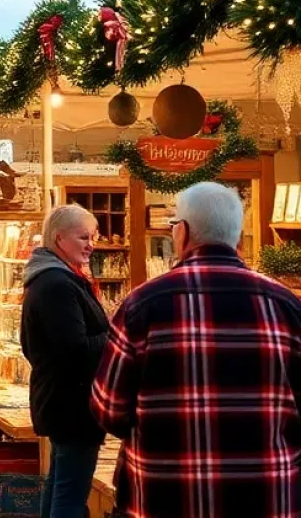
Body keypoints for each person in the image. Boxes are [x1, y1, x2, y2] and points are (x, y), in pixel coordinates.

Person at [91, 182, 301, 518]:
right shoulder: (287, 305)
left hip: (165, 493)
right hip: (267, 495)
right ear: (237, 234)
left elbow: (108, 408)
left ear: (183, 232)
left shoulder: (142, 305)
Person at [20, 204, 109, 518]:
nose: (91, 244)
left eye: (93, 237)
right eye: (83, 237)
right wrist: (117, 334)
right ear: (59, 239)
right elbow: (76, 349)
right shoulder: (57, 285)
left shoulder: (52, 280)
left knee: (60, 485)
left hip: (63, 402)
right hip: (73, 406)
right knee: (70, 496)